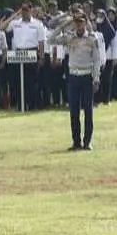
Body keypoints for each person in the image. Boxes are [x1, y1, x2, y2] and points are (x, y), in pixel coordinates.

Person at [47, 11, 102, 151]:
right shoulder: (69, 38)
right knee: (74, 111)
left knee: (88, 111)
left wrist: (96, 79)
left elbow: (96, 60)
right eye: (76, 23)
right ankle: (76, 142)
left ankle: (87, 141)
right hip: (73, 76)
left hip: (86, 76)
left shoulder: (91, 39)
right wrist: (65, 23)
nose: (79, 25)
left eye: (81, 22)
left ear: (85, 23)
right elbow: (50, 39)